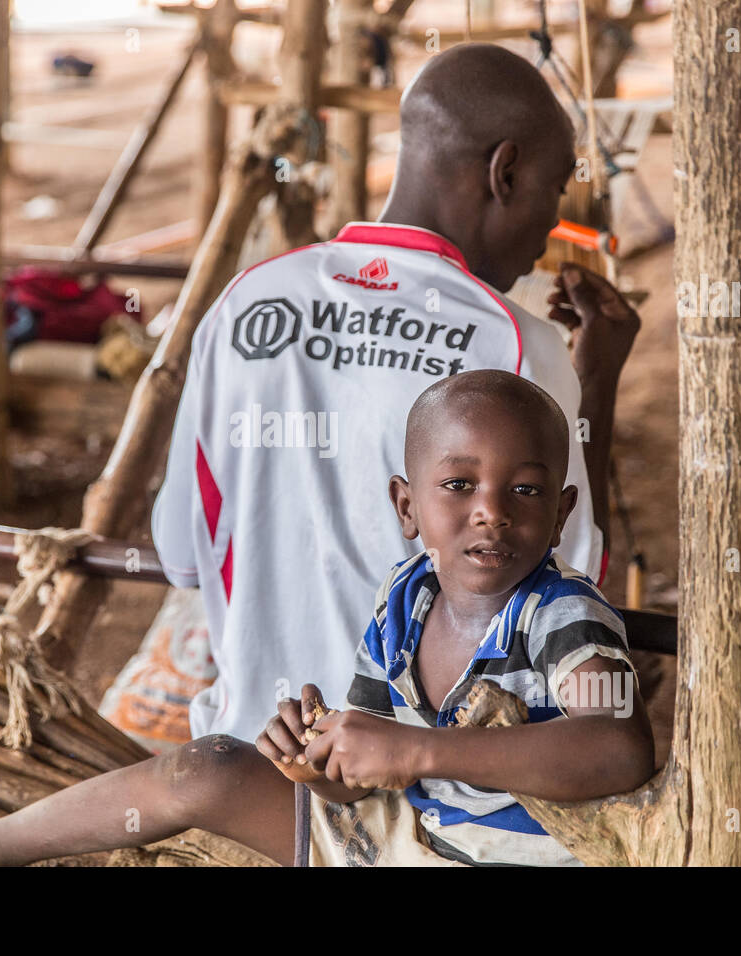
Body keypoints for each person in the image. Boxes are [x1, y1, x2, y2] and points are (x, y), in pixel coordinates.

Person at [0, 371, 653, 867]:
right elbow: (360, 780)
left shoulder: (561, 614)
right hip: (390, 843)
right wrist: (319, 764)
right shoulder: (405, 600)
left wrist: (419, 748)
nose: (490, 514)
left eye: (524, 490)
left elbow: (616, 746)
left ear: (561, 512)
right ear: (406, 506)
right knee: (207, 769)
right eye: (458, 486)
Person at [150, 42, 642, 744]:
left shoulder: (247, 304)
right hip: (421, 785)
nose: (551, 226)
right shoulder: (515, 346)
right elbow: (571, 580)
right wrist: (595, 379)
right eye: (555, 189)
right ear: (505, 172)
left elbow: (179, 555)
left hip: (252, 755)